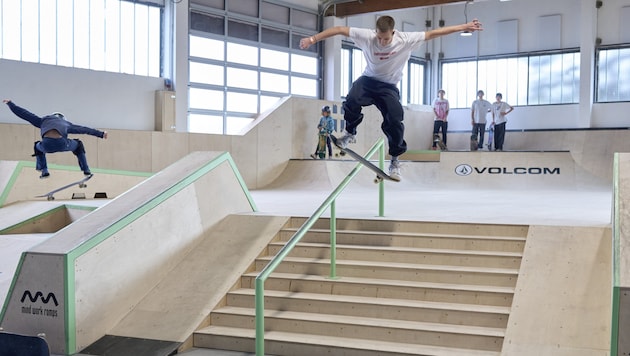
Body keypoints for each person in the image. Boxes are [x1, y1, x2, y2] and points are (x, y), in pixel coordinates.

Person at [299, 16, 483, 181]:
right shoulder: (367, 36)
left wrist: (463, 26)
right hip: (368, 81)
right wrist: (312, 39)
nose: (382, 41)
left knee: (395, 119)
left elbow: (434, 33)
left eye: (385, 38)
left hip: (389, 87)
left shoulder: (406, 39)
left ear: (393, 33)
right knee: (351, 100)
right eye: (379, 37)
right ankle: (350, 134)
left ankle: (395, 160)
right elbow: (339, 29)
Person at [3, 99, 108, 178]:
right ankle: (86, 170)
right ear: (62, 118)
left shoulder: (42, 120)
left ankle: (44, 171)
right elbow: (84, 129)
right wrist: (101, 134)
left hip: (46, 145)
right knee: (78, 144)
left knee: (37, 146)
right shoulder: (66, 124)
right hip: (63, 144)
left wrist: (10, 104)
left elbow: (24, 114)